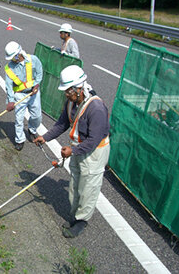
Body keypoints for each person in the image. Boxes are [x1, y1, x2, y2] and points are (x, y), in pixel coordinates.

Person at [33, 65, 110, 238]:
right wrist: (45, 137)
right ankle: (75, 215)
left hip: (94, 152)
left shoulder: (96, 108)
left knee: (88, 187)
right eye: (66, 91)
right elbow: (62, 124)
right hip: (78, 150)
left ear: (79, 88)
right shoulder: (71, 102)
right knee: (75, 184)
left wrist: (73, 150)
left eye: (68, 91)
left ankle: (81, 221)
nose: (66, 94)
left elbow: (93, 140)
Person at [4, 41, 43, 151]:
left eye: (13, 57)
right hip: (19, 95)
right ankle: (19, 140)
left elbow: (39, 73)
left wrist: (37, 85)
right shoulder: (9, 68)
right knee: (19, 119)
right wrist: (11, 101)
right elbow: (8, 86)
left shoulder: (33, 60)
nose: (12, 59)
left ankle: (32, 129)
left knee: (37, 116)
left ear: (18, 54)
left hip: (33, 93)